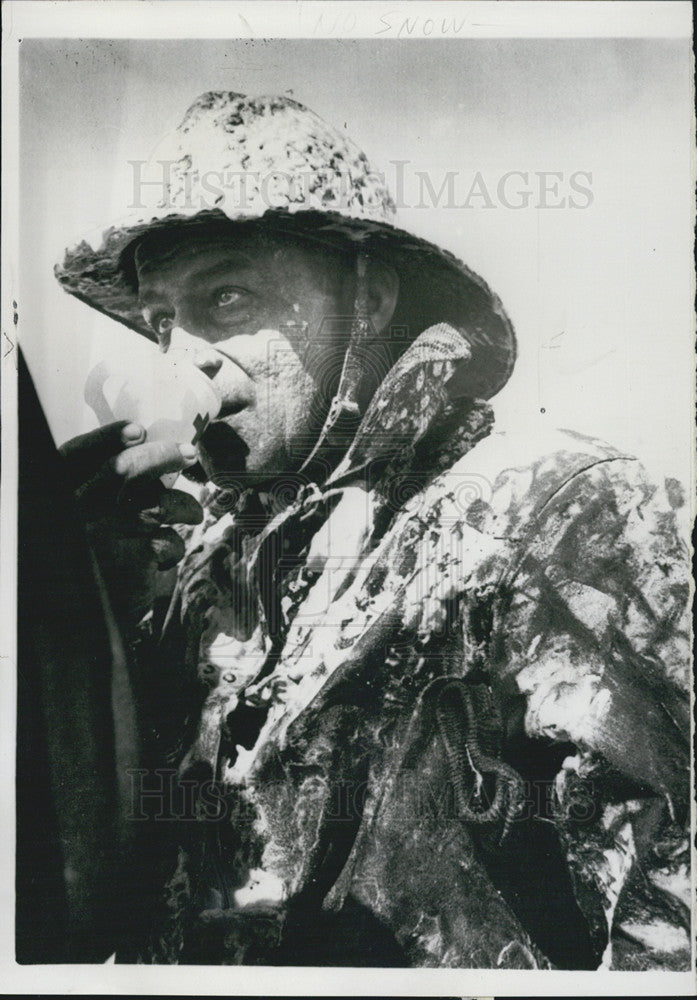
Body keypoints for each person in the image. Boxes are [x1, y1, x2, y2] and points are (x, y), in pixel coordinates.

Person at [52, 92, 690, 968]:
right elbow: (103, 884)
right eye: (163, 320)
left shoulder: (560, 511)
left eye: (228, 295)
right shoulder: (206, 568)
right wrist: (84, 620)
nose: (184, 355)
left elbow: (667, 923)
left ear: (371, 299)